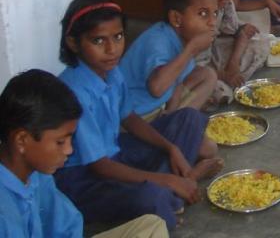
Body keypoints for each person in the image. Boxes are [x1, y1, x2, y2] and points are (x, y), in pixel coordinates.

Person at [54, 0, 220, 232]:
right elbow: (100, 166)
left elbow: (128, 118)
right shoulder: (74, 91)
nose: (112, 49)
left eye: (118, 37)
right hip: (85, 179)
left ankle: (173, 188)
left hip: (117, 152)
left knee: (188, 119)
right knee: (148, 196)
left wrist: (170, 148)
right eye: (98, 40)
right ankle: (172, 189)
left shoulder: (110, 72)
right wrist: (166, 179)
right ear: (73, 43)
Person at [0, 69, 170, 238]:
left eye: (70, 140)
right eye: (60, 142)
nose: (69, 150)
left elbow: (69, 225)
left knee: (151, 226)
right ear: (22, 140)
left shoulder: (37, 176)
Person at [119, 0, 219, 119]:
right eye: (203, 14)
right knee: (205, 142)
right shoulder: (157, 41)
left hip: (159, 106)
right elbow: (156, 89)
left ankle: (175, 122)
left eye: (215, 13)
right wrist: (191, 49)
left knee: (207, 75)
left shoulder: (183, 38)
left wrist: (171, 112)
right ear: (176, 18)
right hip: (136, 117)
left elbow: (177, 79)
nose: (212, 21)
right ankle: (173, 126)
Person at [189, 0, 271, 105]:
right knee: (219, 91)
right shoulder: (196, 20)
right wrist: (224, 75)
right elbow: (193, 67)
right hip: (196, 66)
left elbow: (236, 32)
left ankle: (232, 76)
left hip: (215, 50)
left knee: (261, 42)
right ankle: (225, 85)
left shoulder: (226, 4)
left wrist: (233, 63)